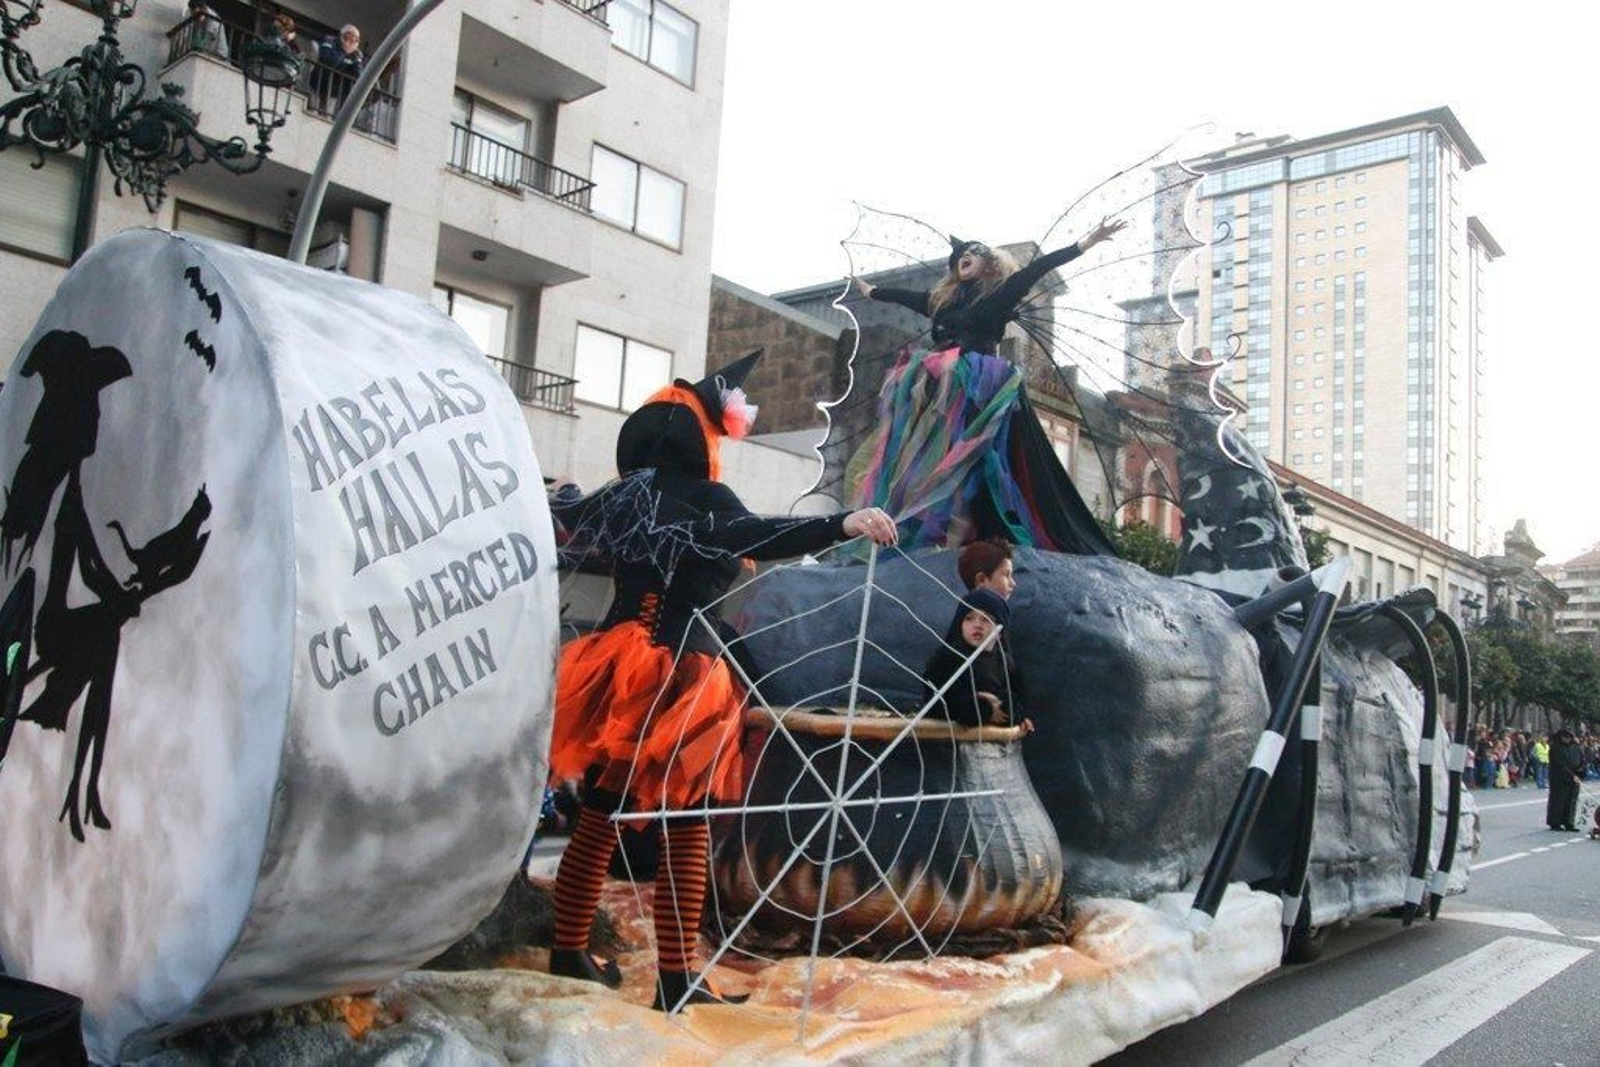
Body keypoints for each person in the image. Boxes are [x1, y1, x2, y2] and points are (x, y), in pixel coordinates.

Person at [544, 351, 897, 1011]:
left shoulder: (620, 495)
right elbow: (760, 534)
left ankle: (568, 950)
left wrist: (561, 490)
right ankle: (677, 979)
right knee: (688, 825)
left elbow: (567, 509)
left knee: (598, 812)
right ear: (704, 436)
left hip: (615, 665)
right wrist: (841, 522)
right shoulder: (708, 499)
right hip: (681, 673)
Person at [848, 219, 1126, 552]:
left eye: (974, 252)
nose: (965, 257)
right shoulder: (942, 301)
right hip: (939, 383)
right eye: (960, 255)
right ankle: (920, 524)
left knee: (972, 458)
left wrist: (1087, 241)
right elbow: (903, 297)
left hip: (980, 385)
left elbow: (1038, 269)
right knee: (921, 458)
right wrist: (871, 291)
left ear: (989, 262)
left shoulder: (999, 294)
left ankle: (963, 527)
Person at [921, 587, 1030, 732]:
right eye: (969, 618)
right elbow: (936, 705)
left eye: (986, 619)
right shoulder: (946, 658)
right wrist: (983, 709)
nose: (977, 625)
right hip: (952, 741)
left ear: (999, 630)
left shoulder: (1005, 663)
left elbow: (1019, 702)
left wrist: (1008, 710)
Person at [312, 24, 364, 113]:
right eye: (350, 38)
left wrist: (358, 60)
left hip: (335, 92)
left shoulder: (355, 54)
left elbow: (357, 76)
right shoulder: (330, 42)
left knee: (327, 116)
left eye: (356, 40)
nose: (352, 42)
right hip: (319, 85)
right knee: (313, 112)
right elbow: (329, 62)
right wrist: (344, 51)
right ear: (342, 36)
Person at [1547, 728, 1583, 831]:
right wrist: (1571, 775)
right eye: (1564, 737)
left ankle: (1569, 822)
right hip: (1559, 779)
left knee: (1572, 801)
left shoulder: (1576, 747)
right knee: (1558, 801)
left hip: (1574, 778)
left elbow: (1582, 760)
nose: (1566, 739)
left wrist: (1580, 772)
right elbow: (1559, 764)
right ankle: (1555, 822)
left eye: (1568, 737)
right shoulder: (1555, 748)